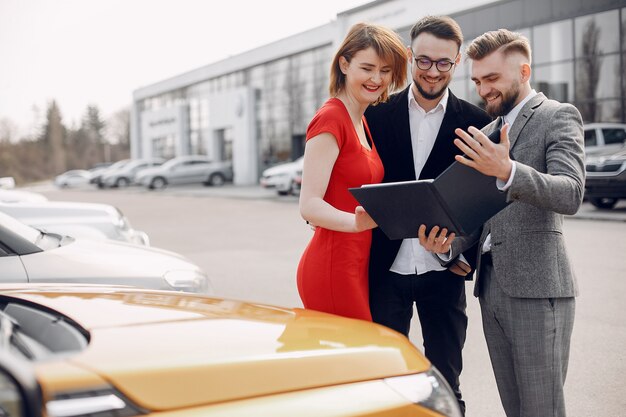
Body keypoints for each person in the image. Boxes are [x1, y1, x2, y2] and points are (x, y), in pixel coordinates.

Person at [424, 29, 585, 417]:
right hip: (491, 289)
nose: (484, 90)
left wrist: (509, 171)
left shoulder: (557, 116)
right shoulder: (485, 133)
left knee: (541, 409)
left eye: (492, 79)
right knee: (515, 409)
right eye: (478, 81)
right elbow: (479, 216)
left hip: (539, 288)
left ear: (524, 70)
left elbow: (570, 192)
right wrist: (446, 244)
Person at [364, 15, 491, 414]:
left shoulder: (478, 123)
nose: (432, 72)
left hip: (444, 273)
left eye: (443, 64)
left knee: (446, 385)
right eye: (423, 61)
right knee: (385, 383)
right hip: (384, 271)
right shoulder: (375, 116)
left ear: (457, 64)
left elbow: (485, 205)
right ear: (409, 56)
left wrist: (462, 253)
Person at [297, 23, 409, 321]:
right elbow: (308, 205)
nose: (377, 79)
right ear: (344, 63)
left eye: (385, 70)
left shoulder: (361, 118)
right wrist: (356, 223)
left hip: (357, 262)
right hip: (334, 265)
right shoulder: (331, 118)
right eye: (368, 68)